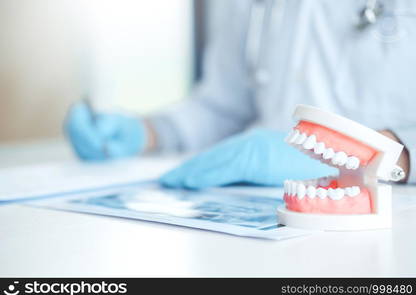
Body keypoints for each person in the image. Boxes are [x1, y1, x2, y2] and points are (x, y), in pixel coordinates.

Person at [65, 0, 413, 189]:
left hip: (388, 210)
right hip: (256, 207)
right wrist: (148, 132)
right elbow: (223, 106)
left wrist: (361, 154)